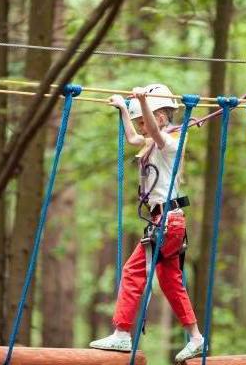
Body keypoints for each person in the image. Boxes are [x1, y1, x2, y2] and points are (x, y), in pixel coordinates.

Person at [89, 84, 204, 362]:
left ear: (160, 118)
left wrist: (142, 100)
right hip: (166, 221)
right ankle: (196, 337)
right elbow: (133, 138)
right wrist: (122, 109)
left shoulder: (171, 143)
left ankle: (122, 333)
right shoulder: (152, 141)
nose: (142, 127)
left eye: (144, 120)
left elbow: (152, 132)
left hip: (168, 220)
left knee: (132, 272)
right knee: (170, 281)